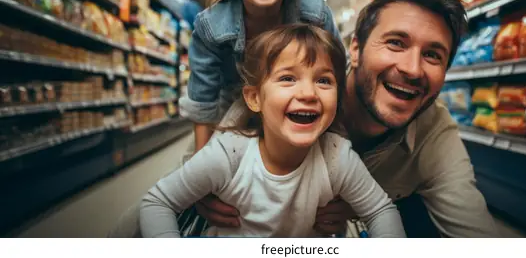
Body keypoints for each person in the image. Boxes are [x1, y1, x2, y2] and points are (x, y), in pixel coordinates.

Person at [193, 0, 499, 238]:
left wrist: (360, 207)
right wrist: (201, 189)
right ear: (355, 47)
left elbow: (477, 235)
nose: (412, 69)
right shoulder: (290, 98)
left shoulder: (434, 133)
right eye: (395, 43)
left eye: (433, 55)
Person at [139, 24, 406, 238]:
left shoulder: (336, 157)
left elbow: (380, 211)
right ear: (254, 98)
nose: (308, 93)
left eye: (323, 80)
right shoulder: (230, 155)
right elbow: (158, 202)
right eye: (288, 78)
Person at [180, 0, 343, 153]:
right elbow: (203, 103)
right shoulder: (212, 27)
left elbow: (339, 76)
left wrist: (337, 146)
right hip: (233, 112)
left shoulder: (315, 14)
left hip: (298, 108)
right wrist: (200, 165)